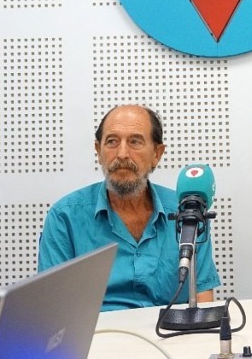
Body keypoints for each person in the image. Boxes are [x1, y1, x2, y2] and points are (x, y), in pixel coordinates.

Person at [38, 105, 220, 310]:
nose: (122, 153)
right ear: (98, 151)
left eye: (135, 141)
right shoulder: (65, 217)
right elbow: (52, 308)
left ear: (157, 154)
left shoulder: (187, 211)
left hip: (171, 337)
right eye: (112, 142)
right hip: (99, 337)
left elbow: (203, 297)